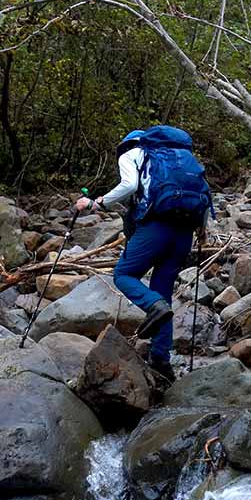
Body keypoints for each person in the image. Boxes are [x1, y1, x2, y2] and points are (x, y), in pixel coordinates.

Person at [74, 126, 212, 382]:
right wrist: (203, 230)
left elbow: (129, 185)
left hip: (157, 227)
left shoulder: (133, 153)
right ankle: (161, 360)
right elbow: (204, 194)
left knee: (124, 275)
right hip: (184, 233)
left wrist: (96, 203)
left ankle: (152, 307)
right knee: (163, 291)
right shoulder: (182, 159)